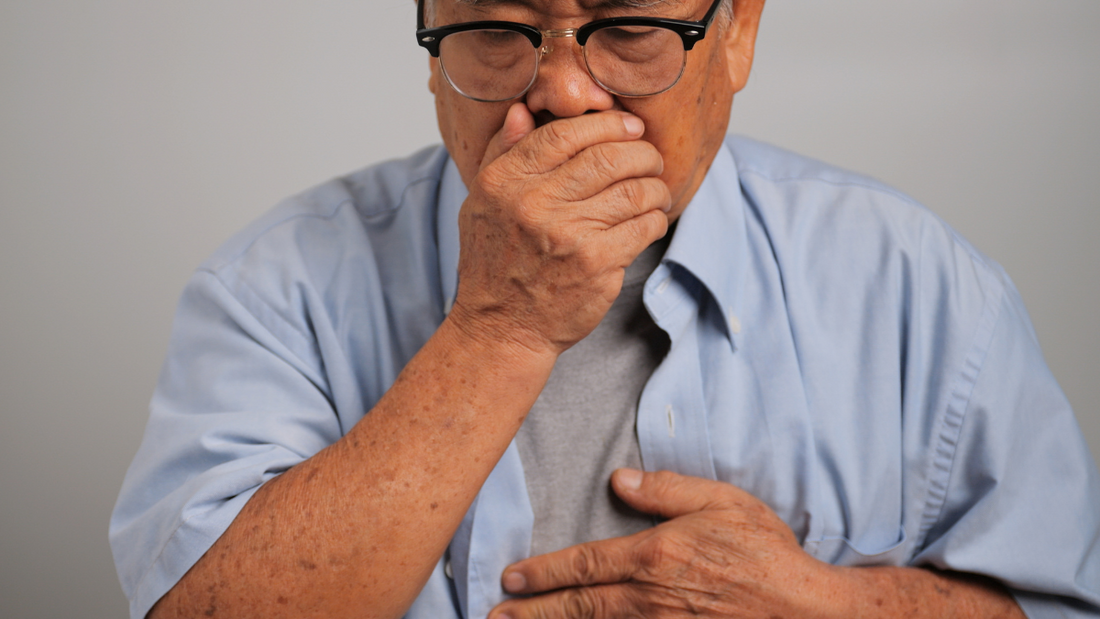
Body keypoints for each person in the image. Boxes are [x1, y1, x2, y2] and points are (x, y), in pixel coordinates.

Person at [110, 0, 1100, 617]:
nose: (566, 94)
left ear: (738, 29)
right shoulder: (273, 284)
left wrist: (826, 609)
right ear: (426, 39)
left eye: (627, 29)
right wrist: (498, 329)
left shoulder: (917, 281)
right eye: (497, 31)